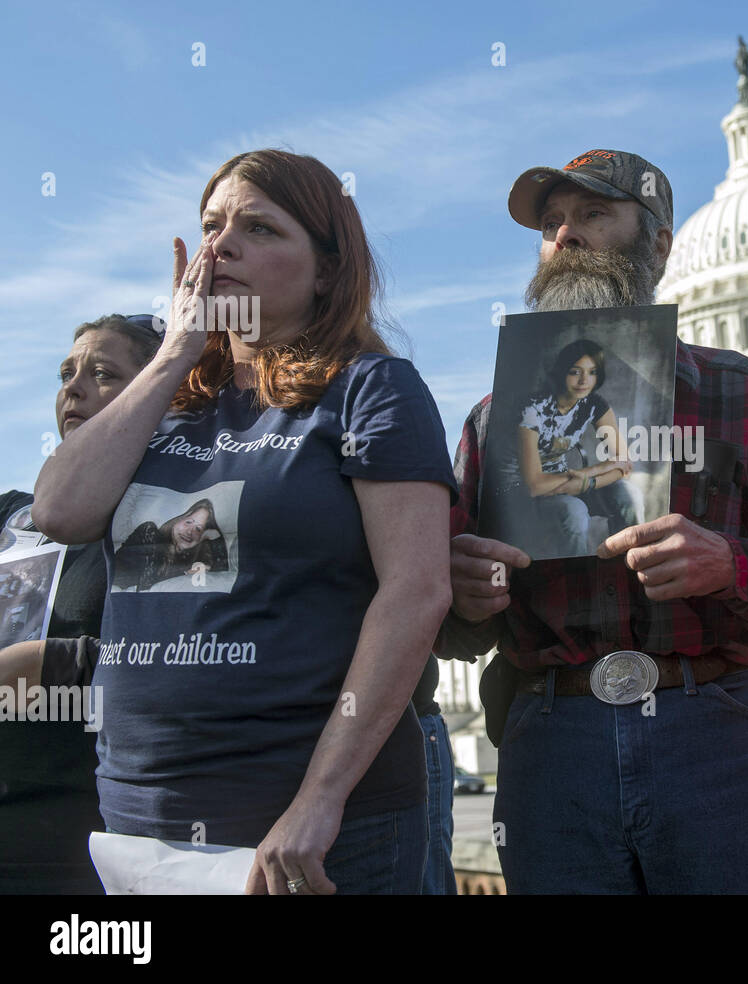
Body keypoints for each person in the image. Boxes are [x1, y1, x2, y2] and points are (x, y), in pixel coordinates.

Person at [32, 149, 456, 895]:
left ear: (327, 270)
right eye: (210, 226)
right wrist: (174, 354)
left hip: (310, 826)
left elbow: (415, 592)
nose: (221, 245)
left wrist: (319, 800)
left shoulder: (371, 391)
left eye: (259, 228)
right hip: (140, 820)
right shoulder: (165, 403)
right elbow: (60, 511)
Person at [437, 148, 748, 894]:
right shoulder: (493, 421)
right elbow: (452, 628)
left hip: (721, 731)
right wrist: (465, 595)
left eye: (593, 215)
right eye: (550, 224)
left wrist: (730, 563)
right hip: (552, 740)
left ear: (661, 245)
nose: (565, 236)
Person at [0, 313, 162, 895]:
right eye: (67, 373)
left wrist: (51, 663)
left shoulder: (166, 523)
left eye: (103, 374)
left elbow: (189, 655)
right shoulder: (10, 516)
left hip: (88, 844)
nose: (73, 387)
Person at [515, 339, 637, 557]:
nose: (584, 380)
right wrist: (588, 475)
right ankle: (577, 577)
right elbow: (533, 485)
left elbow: (624, 464)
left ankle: (628, 567)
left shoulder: (594, 404)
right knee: (575, 511)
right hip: (527, 489)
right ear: (562, 372)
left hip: (571, 481)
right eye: (575, 372)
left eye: (592, 372)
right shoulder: (532, 408)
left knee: (626, 495)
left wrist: (587, 481)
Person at [111, 497, 229, 591]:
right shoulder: (148, 532)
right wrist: (184, 574)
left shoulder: (189, 559)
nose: (190, 531)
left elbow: (221, 575)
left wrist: (214, 539)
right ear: (177, 519)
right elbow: (147, 583)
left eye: (198, 529)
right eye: (188, 522)